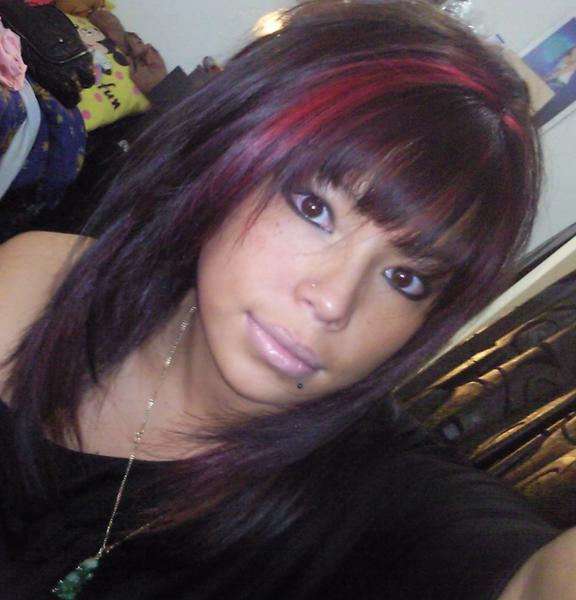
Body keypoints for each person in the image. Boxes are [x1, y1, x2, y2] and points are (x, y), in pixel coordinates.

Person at [0, 1, 574, 598]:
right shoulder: (40, 284)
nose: (333, 302)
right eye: (315, 209)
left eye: (406, 279)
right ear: (228, 156)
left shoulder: (374, 501)